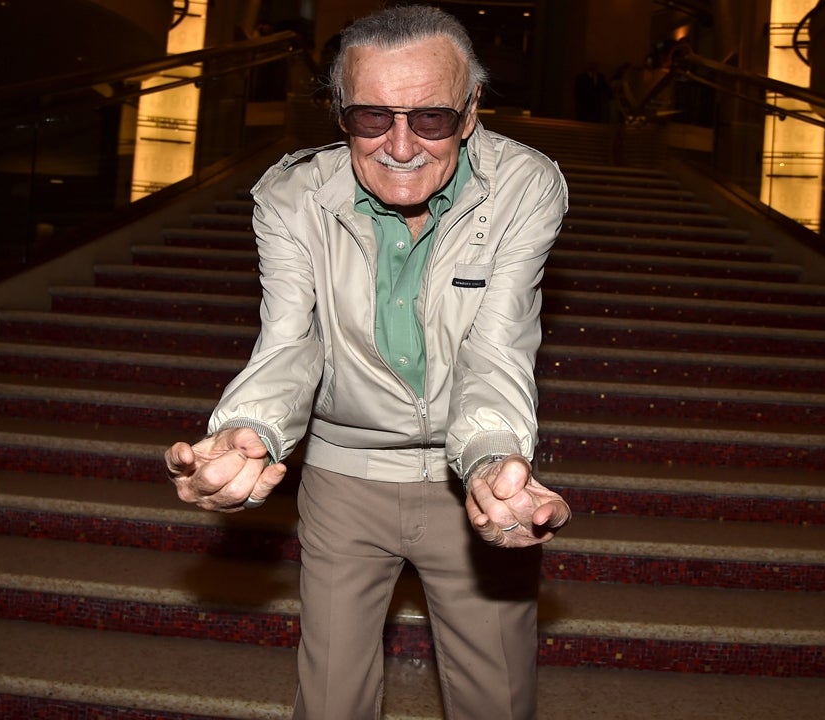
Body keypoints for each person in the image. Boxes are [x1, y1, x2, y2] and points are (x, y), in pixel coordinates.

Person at [164, 5, 571, 719]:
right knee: (330, 700)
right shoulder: (291, 196)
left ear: (471, 110)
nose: (401, 147)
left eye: (432, 118)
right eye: (372, 118)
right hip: (342, 476)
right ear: (340, 111)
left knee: (497, 698)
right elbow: (291, 339)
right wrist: (249, 428)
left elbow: (497, 344)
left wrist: (491, 461)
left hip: (468, 476)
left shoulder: (524, 185)